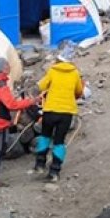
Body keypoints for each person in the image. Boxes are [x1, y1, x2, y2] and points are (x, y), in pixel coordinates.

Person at [31, 44, 84, 182]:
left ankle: (40, 165)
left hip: (50, 110)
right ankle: (54, 171)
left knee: (45, 136)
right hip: (66, 113)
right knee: (59, 142)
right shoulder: (75, 73)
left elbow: (40, 86)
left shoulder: (52, 71)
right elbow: (79, 92)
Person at [0, 56, 34, 187]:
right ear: (3, 69)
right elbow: (12, 105)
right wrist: (30, 101)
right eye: (7, 65)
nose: (9, 67)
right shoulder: (0, 85)